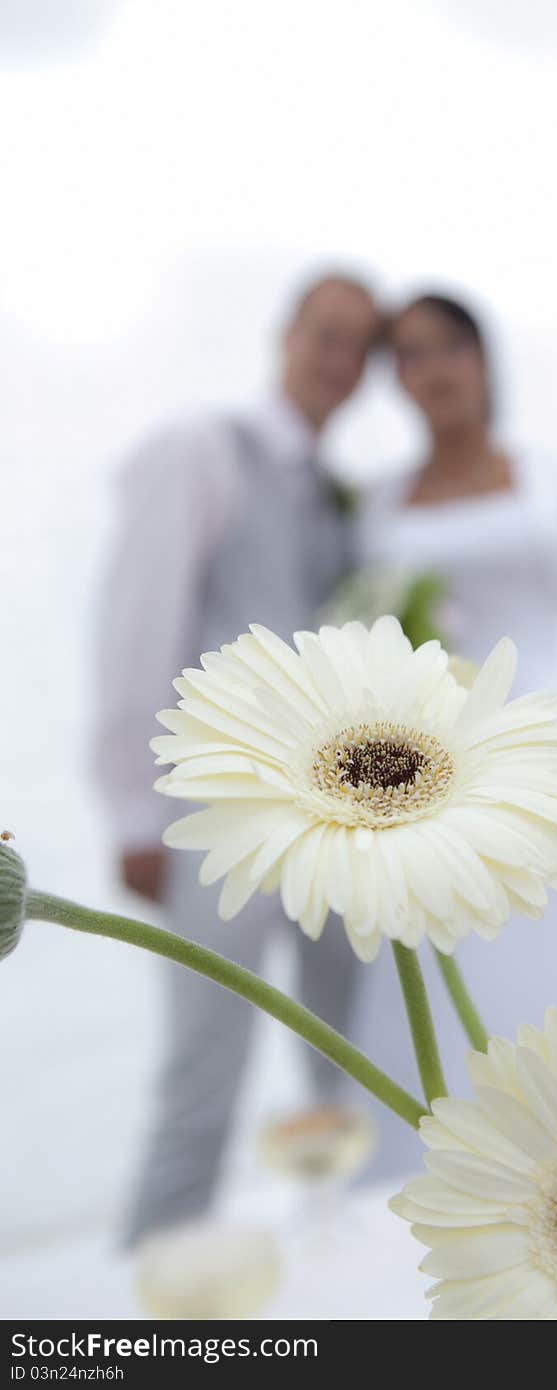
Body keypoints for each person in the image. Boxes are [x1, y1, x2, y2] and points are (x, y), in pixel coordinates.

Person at [346, 292, 557, 1176]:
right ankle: (478, 1178)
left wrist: (552, 721)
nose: (433, 369)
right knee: (460, 963)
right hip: (430, 768)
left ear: (483, 358)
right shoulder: (376, 506)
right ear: (396, 382)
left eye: (447, 345)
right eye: (409, 355)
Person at [93, 271, 383, 1245]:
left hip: (339, 828)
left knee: (349, 1068)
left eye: (359, 345)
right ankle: (130, 1333)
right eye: (325, 334)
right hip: (215, 820)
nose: (337, 359)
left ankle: (336, 1287)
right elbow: (137, 630)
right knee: (200, 1085)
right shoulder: (200, 449)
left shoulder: (343, 494)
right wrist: (133, 813)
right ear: (285, 332)